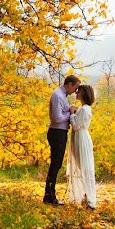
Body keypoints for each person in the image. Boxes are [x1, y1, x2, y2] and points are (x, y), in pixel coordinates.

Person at [44, 74, 80, 205]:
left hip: (60, 132)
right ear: (69, 84)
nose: (75, 91)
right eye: (75, 88)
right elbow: (57, 118)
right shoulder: (58, 95)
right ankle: (49, 196)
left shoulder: (62, 95)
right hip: (57, 133)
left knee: (56, 164)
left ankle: (49, 195)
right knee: (56, 164)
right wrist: (70, 112)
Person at [67, 84, 96, 208]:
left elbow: (76, 125)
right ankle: (85, 196)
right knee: (81, 166)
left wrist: (72, 113)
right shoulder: (83, 108)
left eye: (78, 92)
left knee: (84, 167)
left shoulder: (84, 109)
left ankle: (89, 198)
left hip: (81, 138)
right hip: (79, 137)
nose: (76, 93)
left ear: (84, 94)